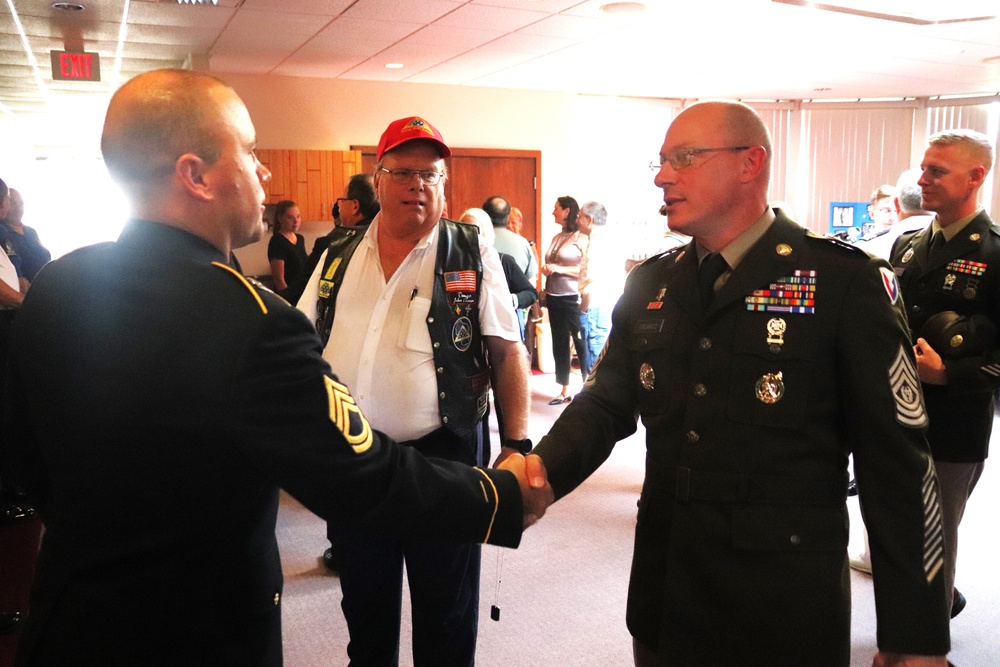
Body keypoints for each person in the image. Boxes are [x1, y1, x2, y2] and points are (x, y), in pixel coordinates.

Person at [0, 70, 549, 667]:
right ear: (196, 174)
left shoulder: (56, 286)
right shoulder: (252, 317)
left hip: (70, 624)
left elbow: (24, 458)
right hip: (203, 634)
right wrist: (497, 498)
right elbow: (360, 475)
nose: (264, 173)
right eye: (251, 151)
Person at [531, 100, 950, 666]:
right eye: (659, 161)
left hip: (782, 604)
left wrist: (914, 634)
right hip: (667, 591)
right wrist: (535, 476)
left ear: (750, 163)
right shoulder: (653, 281)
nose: (662, 176)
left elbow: (898, 466)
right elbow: (605, 403)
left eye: (685, 157)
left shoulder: (843, 282)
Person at [297, 116, 531, 667]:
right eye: (403, 172)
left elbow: (506, 350)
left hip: (444, 456)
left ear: (444, 185)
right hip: (354, 459)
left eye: (431, 174)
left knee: (446, 609)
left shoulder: (469, 251)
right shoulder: (337, 253)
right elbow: (298, 342)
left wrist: (517, 446)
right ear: (377, 180)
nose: (417, 185)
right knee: (364, 601)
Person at [888, 129, 998, 623]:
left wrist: (949, 374)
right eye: (924, 167)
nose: (922, 179)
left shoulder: (995, 256)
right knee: (897, 530)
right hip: (894, 418)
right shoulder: (908, 247)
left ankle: (927, 642)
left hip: (954, 424)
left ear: (977, 176)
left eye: (938, 171)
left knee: (936, 538)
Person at [286, 173, 379, 305]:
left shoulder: (333, 245)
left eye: (342, 201)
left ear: (354, 206)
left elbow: (298, 291)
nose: (339, 207)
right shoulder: (387, 240)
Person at [541, 195, 585, 404]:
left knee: (580, 340)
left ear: (567, 211)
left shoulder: (581, 237)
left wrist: (559, 269)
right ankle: (564, 389)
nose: (553, 212)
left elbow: (585, 271)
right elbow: (551, 260)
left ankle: (587, 389)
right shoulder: (557, 237)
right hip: (554, 296)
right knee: (558, 342)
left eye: (556, 208)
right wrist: (547, 269)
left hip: (572, 296)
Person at [577, 200, 624, 381]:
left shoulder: (597, 242)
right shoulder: (609, 237)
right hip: (607, 303)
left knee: (594, 358)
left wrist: (583, 308)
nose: (577, 220)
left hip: (595, 307)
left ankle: (594, 404)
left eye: (580, 216)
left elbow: (592, 281)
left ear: (589, 219)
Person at [1, 189, 50, 282]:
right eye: (13, 203)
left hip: (48, 282)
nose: (18, 208)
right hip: (25, 290)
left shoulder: (31, 232)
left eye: (21, 203)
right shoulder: (3, 234)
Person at [267, 199, 307, 295]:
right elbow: (279, 279)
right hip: (288, 297)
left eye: (298, 217)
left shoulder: (300, 239)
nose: (296, 221)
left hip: (301, 294)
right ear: (280, 219)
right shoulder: (277, 242)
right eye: (290, 218)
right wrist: (288, 300)